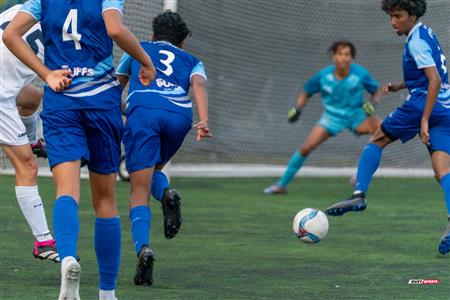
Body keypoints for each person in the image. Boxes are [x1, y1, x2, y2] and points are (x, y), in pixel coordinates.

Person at [3, 0, 156, 299]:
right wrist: (145, 61)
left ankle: (68, 257)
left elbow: (10, 36)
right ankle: (107, 293)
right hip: (101, 102)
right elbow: (115, 28)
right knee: (105, 202)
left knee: (66, 191)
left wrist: (46, 73)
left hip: (62, 102)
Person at [326, 0, 450, 255]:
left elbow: (433, 79)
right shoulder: (426, 33)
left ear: (412, 15)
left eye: (398, 16)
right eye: (390, 16)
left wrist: (424, 118)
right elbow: (430, 73)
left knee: (377, 139)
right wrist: (399, 85)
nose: (393, 21)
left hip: (423, 105)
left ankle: (359, 194)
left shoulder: (415, 41)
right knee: (442, 171)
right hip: (446, 109)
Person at [116, 10, 211, 286]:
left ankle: (143, 248)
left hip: (145, 112)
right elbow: (199, 85)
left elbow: (116, 87)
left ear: (153, 35)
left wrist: (124, 109)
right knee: (155, 168)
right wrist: (203, 119)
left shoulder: (137, 49)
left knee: (138, 188)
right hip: (180, 116)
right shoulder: (193, 60)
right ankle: (167, 192)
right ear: (182, 43)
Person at [264, 41, 381, 194]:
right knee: (306, 148)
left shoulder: (361, 74)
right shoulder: (323, 76)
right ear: (333, 57)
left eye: (347, 55)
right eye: (340, 54)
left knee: (383, 131)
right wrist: (298, 109)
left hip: (356, 115)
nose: (343, 58)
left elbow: (376, 90)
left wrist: (372, 103)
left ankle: (361, 175)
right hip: (330, 117)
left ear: (352, 58)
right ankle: (281, 185)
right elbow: (306, 92)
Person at [0, 4, 57, 262]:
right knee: (27, 167)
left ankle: (33, 141)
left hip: (6, 90)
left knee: (33, 98)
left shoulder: (20, 8)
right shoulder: (61, 27)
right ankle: (43, 241)